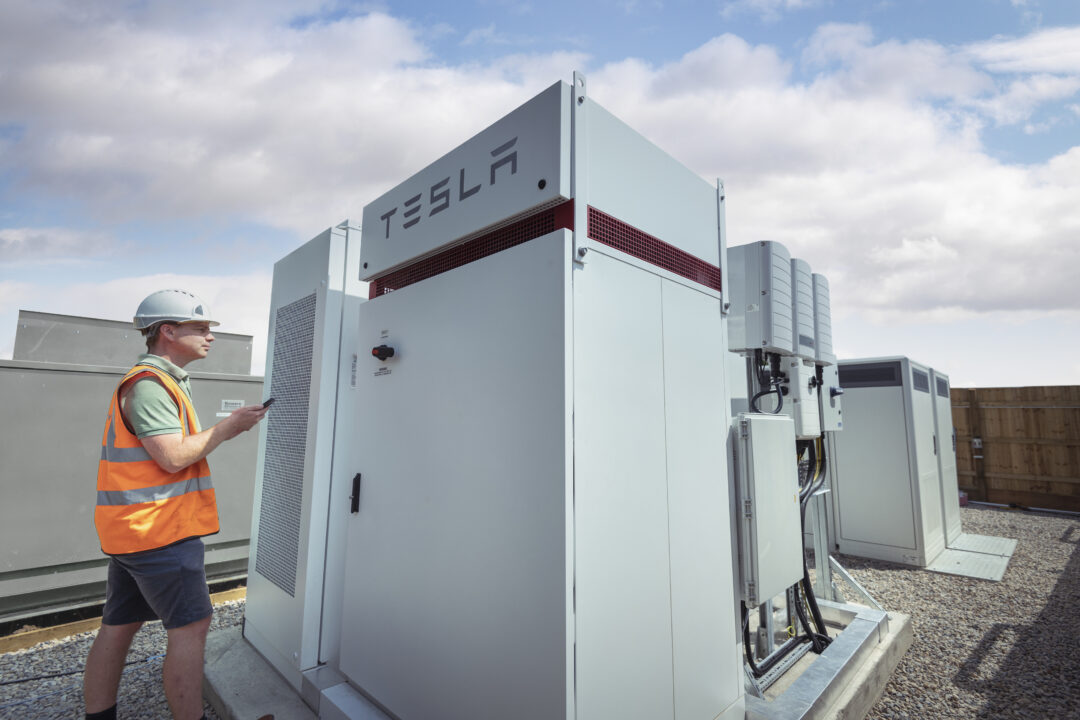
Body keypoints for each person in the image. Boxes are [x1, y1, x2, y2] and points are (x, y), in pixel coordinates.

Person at [83, 289, 268, 720]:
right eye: (200, 328)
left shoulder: (156, 381)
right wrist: (228, 428)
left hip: (133, 531)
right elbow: (172, 458)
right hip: (159, 533)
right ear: (167, 331)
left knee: (119, 626)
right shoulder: (150, 386)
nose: (210, 336)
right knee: (191, 628)